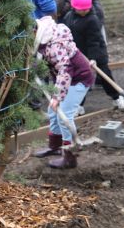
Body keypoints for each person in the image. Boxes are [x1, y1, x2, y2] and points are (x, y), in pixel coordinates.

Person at [32, 16, 94, 169]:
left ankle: (69, 157)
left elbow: (65, 70)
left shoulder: (54, 44)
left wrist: (58, 96)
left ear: (35, 32)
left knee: (64, 115)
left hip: (78, 79)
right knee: (53, 112)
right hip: (66, 80)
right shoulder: (43, 38)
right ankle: (55, 147)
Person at [63, 0, 124, 112]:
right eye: (81, 9)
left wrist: (93, 58)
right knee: (80, 78)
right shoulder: (69, 17)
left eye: (86, 9)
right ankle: (78, 105)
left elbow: (93, 41)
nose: (84, 11)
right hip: (78, 54)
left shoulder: (92, 20)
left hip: (96, 53)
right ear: (74, 7)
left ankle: (117, 98)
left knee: (104, 75)